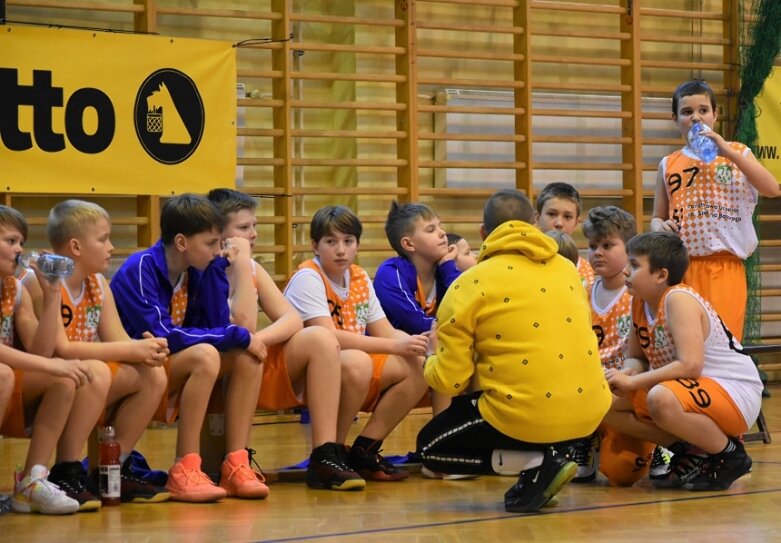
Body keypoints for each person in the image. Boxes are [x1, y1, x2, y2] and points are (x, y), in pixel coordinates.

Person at [417, 189, 611, 513]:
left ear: (483, 232)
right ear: (534, 223)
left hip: (527, 414)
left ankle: (540, 462)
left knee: (432, 447)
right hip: (589, 413)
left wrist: (430, 356)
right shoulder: (569, 271)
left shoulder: (469, 283)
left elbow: (449, 382)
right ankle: (545, 468)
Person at [109, 194, 269, 502]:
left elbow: (217, 323)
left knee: (246, 357)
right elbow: (164, 334)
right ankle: (186, 465)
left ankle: (236, 464)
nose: (217, 250)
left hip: (165, 363)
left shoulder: (198, 268)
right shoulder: (140, 268)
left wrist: (220, 271)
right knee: (207, 354)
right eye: (211, 243)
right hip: (136, 365)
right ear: (182, 242)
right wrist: (235, 335)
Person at [206, 188, 365, 491]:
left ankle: (325, 454)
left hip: (250, 362)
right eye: (243, 228)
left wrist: (258, 340)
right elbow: (242, 324)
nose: (252, 234)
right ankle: (235, 461)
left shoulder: (253, 267)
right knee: (243, 352)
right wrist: (246, 338)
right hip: (217, 366)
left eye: (254, 226)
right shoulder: (207, 268)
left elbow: (291, 319)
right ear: (218, 233)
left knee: (319, 338)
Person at [604, 231, 762, 491]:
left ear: (661, 275)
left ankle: (730, 454)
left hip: (734, 390)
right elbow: (636, 357)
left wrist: (633, 384)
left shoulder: (679, 298)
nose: (625, 271)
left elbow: (690, 365)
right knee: (603, 402)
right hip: (692, 390)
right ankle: (690, 451)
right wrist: (626, 374)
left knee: (660, 398)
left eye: (634, 265)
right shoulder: (638, 301)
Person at [284, 205, 430, 482]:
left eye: (348, 241)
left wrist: (414, 342)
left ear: (357, 245)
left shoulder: (360, 277)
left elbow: (385, 331)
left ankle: (363, 450)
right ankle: (329, 452)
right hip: (300, 372)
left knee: (420, 365)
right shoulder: (308, 277)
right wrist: (394, 346)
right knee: (357, 361)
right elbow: (329, 336)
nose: (341, 250)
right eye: (331, 242)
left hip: (348, 363)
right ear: (315, 245)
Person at [41, 200, 171, 503]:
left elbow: (117, 339)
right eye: (103, 239)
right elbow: (62, 348)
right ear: (75, 246)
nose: (111, 246)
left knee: (153, 375)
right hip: (50, 376)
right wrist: (132, 348)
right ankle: (66, 469)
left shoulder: (99, 283)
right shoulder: (46, 283)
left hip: (83, 377)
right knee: (95, 370)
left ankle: (112, 468)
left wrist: (145, 349)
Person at [0, 205, 110, 514]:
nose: (20, 249)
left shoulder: (13, 288)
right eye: (10, 241)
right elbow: (43, 360)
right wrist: (50, 364)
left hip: (10, 386)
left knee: (65, 377)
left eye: (21, 242)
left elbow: (40, 351)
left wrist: (51, 296)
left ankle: (32, 480)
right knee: (5, 374)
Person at [650, 79, 780, 342]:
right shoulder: (668, 163)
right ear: (675, 118)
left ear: (715, 115)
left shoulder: (739, 153)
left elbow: (772, 189)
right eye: (687, 112)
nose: (696, 118)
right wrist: (659, 227)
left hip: (725, 266)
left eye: (703, 110)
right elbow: (656, 217)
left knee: (723, 344)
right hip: (682, 267)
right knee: (687, 344)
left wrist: (728, 152)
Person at [570, 206, 656, 486]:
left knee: (620, 473)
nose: (597, 252)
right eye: (592, 246)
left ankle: (659, 445)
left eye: (607, 245)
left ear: (630, 248)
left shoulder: (639, 295)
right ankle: (586, 439)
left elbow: (646, 355)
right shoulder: (580, 292)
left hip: (626, 391)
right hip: (587, 387)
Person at [373, 202, 459, 415]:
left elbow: (463, 305)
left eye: (440, 226)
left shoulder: (443, 270)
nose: (442, 233)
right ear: (408, 244)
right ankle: (439, 437)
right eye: (431, 230)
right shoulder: (391, 273)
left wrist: (448, 266)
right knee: (446, 352)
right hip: (387, 353)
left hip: (421, 352)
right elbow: (418, 324)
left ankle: (446, 439)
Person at [535, 182, 594, 287]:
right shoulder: (523, 261)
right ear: (538, 218)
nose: (559, 224)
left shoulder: (585, 270)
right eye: (552, 214)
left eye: (567, 217)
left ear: (576, 222)